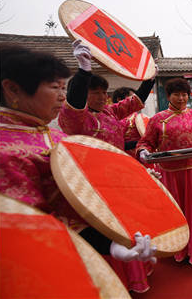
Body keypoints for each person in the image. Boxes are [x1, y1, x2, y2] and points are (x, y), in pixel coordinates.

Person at [0, 45, 156, 273]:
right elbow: (39, 225)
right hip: (48, 261)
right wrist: (83, 73)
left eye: (63, 87)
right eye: (55, 87)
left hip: (100, 216)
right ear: (12, 90)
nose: (62, 96)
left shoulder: (54, 134)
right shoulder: (4, 151)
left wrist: (135, 176)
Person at [57, 40, 157, 293]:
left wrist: (150, 77)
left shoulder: (110, 112)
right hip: (92, 185)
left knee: (125, 227)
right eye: (95, 93)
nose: (102, 97)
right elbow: (74, 102)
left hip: (118, 181)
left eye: (104, 93)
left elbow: (136, 101)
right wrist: (83, 73)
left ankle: (136, 276)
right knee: (105, 232)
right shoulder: (75, 118)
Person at [137, 78, 192, 268]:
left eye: (184, 94)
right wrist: (143, 151)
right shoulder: (157, 119)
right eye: (176, 94)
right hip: (170, 172)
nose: (181, 98)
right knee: (178, 211)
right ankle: (179, 248)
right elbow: (146, 142)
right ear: (168, 96)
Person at [112, 86, 142, 156]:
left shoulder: (138, 117)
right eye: (131, 98)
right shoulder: (111, 117)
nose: (135, 102)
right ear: (119, 100)